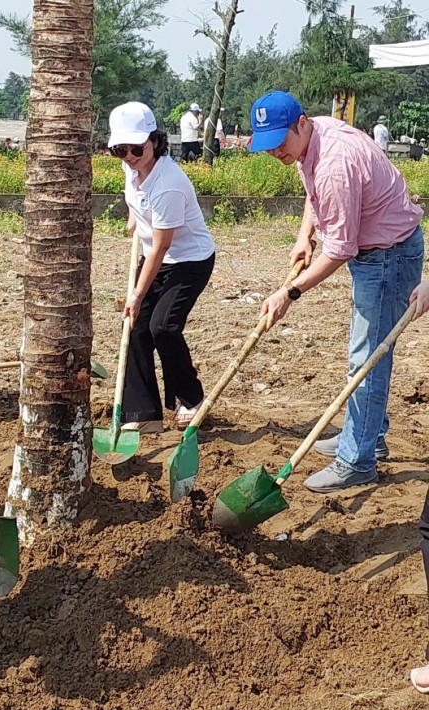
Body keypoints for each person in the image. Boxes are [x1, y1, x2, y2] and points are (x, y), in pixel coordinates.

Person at [250, 91, 423, 492]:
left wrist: (289, 292)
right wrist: (303, 235)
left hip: (387, 256)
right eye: (268, 144)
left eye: (281, 141)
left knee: (367, 359)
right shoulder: (312, 142)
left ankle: (357, 460)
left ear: (302, 123)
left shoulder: (334, 164)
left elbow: (341, 250)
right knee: (368, 351)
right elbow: (315, 196)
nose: (276, 151)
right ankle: (369, 437)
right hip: (377, 248)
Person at [108, 101, 215, 434]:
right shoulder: (133, 166)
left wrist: (138, 293)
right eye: (120, 150)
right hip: (156, 254)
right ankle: (144, 412)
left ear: (155, 140)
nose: (129, 156)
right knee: (135, 326)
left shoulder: (168, 183)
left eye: (137, 148)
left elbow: (163, 244)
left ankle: (192, 398)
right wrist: (133, 217)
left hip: (189, 261)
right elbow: (135, 196)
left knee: (163, 327)